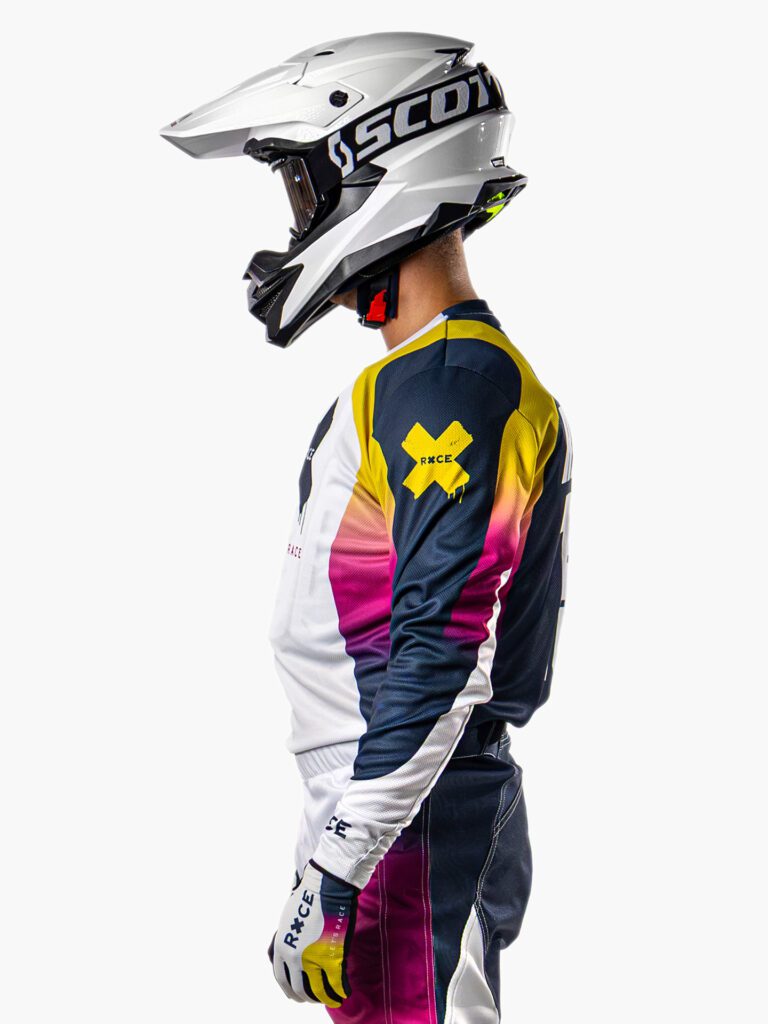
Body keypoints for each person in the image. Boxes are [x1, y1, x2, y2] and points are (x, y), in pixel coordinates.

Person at [161, 31, 572, 1022]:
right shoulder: (427, 380)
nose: (298, 224)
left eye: (307, 189)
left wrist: (340, 866)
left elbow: (445, 649)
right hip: (395, 806)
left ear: (382, 165)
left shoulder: (448, 386)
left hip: (404, 819)